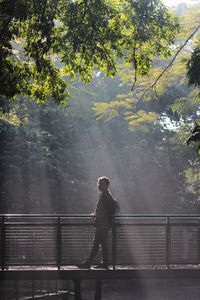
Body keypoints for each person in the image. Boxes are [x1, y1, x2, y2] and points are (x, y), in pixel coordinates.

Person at [78, 176, 119, 269]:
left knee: (96, 243)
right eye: (99, 183)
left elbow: (109, 210)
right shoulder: (104, 194)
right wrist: (95, 214)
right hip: (103, 223)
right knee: (101, 243)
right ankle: (103, 262)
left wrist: (100, 217)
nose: (99, 185)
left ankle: (89, 263)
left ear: (107, 185)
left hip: (103, 224)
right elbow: (102, 209)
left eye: (102, 184)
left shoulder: (106, 195)